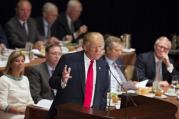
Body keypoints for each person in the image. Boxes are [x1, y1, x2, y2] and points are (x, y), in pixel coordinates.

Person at [47, 32, 109, 119]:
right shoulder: (69, 59)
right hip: (69, 114)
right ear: (85, 47)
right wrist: (62, 80)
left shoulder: (103, 65)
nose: (98, 51)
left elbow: (104, 93)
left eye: (100, 47)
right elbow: (52, 82)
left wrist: (101, 113)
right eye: (94, 47)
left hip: (92, 114)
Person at [0, 51, 34, 119]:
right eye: (17, 61)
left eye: (22, 61)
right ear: (11, 64)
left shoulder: (25, 79)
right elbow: (2, 105)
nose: (20, 63)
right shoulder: (3, 80)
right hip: (10, 115)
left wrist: (32, 109)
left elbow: (30, 100)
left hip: (25, 114)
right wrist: (19, 111)